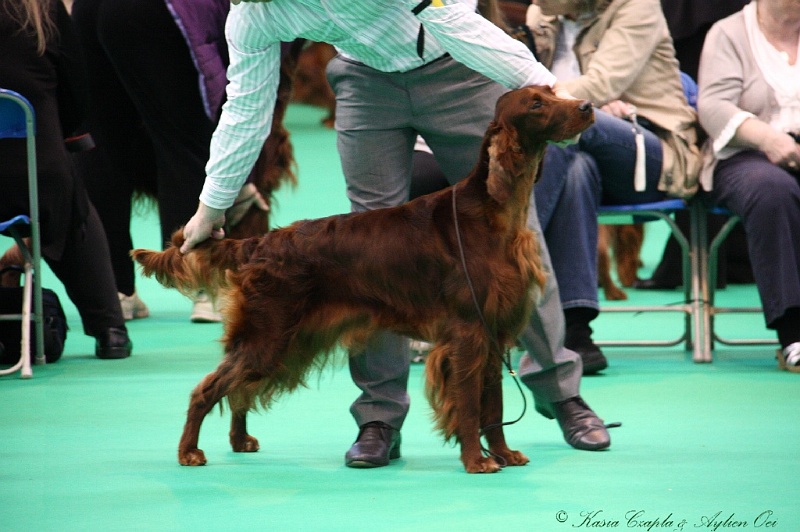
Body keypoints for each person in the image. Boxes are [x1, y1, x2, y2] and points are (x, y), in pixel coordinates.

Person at [180, 0, 612, 468]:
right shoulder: (253, 14)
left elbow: (452, 20)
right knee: (369, 247)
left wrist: (544, 88)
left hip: (456, 62)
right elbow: (246, 105)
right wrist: (212, 205)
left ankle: (561, 392)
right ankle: (379, 419)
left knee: (510, 232)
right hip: (365, 81)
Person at [522, 0, 702, 374]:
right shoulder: (540, 14)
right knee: (576, 166)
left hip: (651, 151)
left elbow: (600, 85)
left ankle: (504, 256)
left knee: (570, 124)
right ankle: (575, 332)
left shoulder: (638, 7)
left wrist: (535, 107)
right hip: (576, 148)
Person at [70, 0, 268, 324]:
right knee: (185, 140)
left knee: (101, 145)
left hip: (87, 8)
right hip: (158, 9)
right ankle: (204, 288)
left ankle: (117, 293)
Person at [0, 0, 131, 359]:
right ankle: (110, 329)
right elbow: (77, 90)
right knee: (75, 210)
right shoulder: (41, 9)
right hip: (35, 172)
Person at [695, 0, 800, 372]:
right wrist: (769, 139)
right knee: (771, 191)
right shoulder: (729, 33)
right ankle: (793, 334)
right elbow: (712, 107)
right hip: (742, 155)